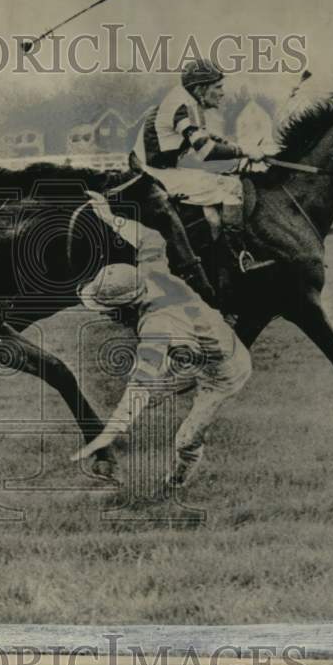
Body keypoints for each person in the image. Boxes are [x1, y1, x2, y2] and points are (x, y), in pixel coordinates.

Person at [72, 193, 252, 486]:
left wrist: (110, 431)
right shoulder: (149, 273)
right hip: (192, 356)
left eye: (109, 311)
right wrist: (108, 217)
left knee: (184, 440)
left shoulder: (158, 322)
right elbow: (150, 237)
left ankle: (176, 483)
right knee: (142, 400)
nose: (107, 316)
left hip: (224, 374)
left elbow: (143, 377)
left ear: (126, 306)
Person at [130, 59, 264, 297]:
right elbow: (206, 152)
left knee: (225, 175)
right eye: (218, 87)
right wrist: (245, 150)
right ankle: (237, 257)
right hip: (152, 174)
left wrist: (231, 148)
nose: (222, 93)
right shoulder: (184, 105)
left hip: (156, 167)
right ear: (201, 88)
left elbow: (203, 137)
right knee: (231, 185)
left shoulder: (184, 100)